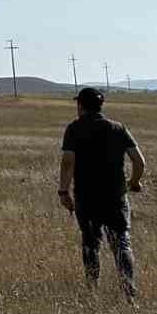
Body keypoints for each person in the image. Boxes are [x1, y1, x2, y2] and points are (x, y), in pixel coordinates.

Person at [59, 87, 146, 299]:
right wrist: (133, 182)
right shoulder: (118, 128)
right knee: (122, 243)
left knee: (91, 243)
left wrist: (63, 191)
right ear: (101, 105)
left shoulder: (74, 129)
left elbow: (68, 162)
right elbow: (139, 161)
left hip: (86, 197)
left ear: (80, 105)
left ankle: (92, 291)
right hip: (115, 196)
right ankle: (129, 294)